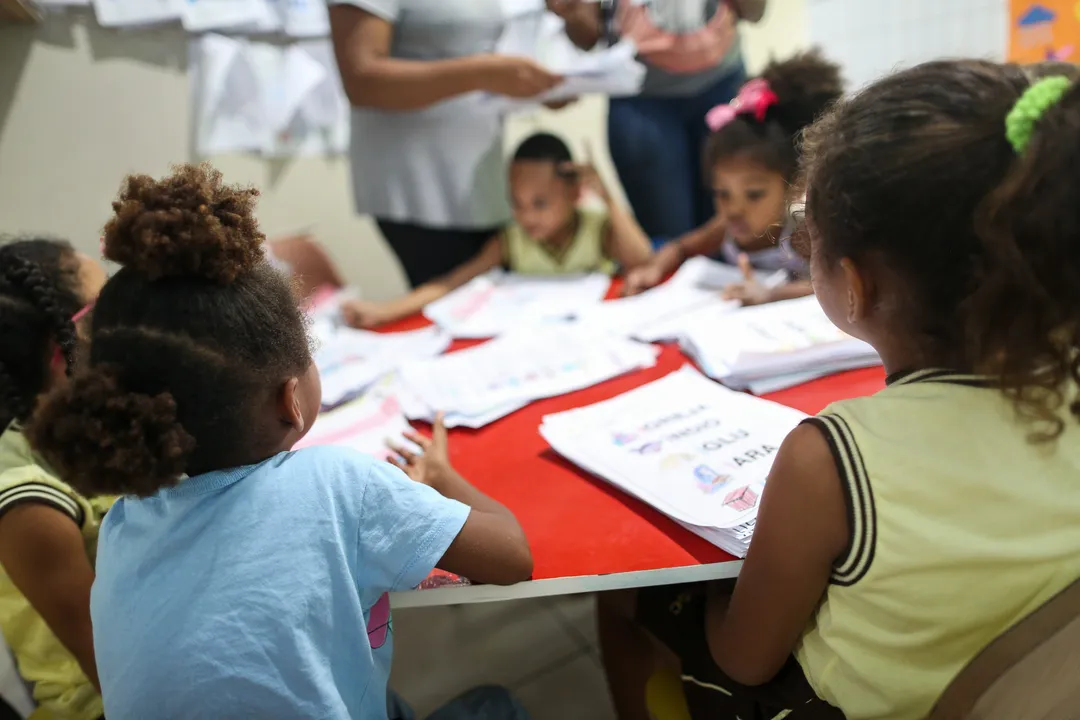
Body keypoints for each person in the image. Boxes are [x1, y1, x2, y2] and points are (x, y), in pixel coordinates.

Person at [597, 59, 1080, 720]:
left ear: (856, 284)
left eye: (808, 235)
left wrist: (715, 597)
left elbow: (745, 659)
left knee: (626, 597)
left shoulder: (827, 458)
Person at [26, 164, 534, 720]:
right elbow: (512, 557)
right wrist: (443, 479)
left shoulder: (124, 525)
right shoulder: (340, 484)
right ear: (291, 399)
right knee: (497, 704)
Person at [328, 0, 565, 288]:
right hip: (419, 185)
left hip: (479, 181)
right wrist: (484, 73)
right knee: (453, 303)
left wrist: (532, 83)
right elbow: (361, 78)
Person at [341, 132, 653, 329]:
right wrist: (384, 311)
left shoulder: (596, 229)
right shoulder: (511, 241)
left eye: (540, 203)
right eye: (516, 203)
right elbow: (451, 283)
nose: (526, 216)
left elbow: (642, 260)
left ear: (573, 193)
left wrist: (608, 198)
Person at [622, 49, 843, 304]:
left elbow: (830, 282)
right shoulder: (725, 226)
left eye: (754, 195)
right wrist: (654, 268)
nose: (734, 209)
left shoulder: (799, 233)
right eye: (722, 193)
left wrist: (771, 294)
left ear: (794, 186)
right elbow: (680, 247)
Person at [551, 0, 766, 243]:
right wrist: (572, 12)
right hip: (640, 97)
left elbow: (755, 11)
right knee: (667, 243)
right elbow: (587, 34)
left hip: (721, 82)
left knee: (736, 237)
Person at [0, 238, 108, 720]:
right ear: (56, 350)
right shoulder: (27, 504)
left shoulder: (92, 422)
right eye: (105, 312)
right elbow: (111, 668)